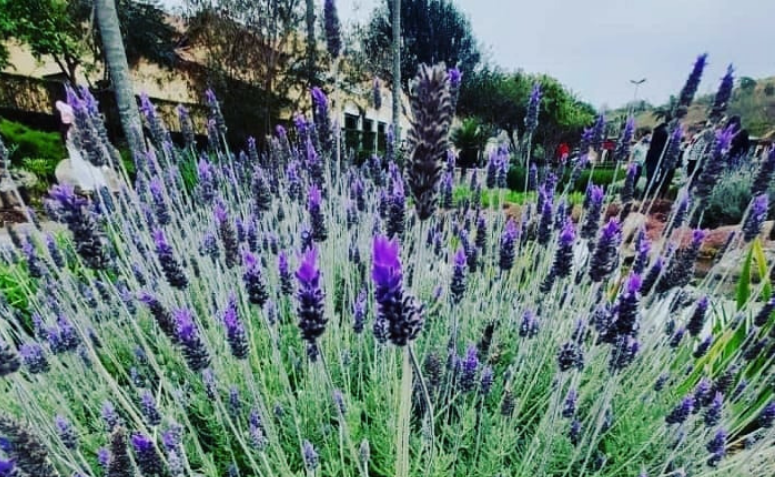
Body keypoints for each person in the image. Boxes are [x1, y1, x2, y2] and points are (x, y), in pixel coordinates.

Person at [54, 101, 119, 194]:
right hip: (83, 160)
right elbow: (83, 148)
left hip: (82, 160)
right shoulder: (74, 132)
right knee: (93, 176)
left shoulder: (71, 131)